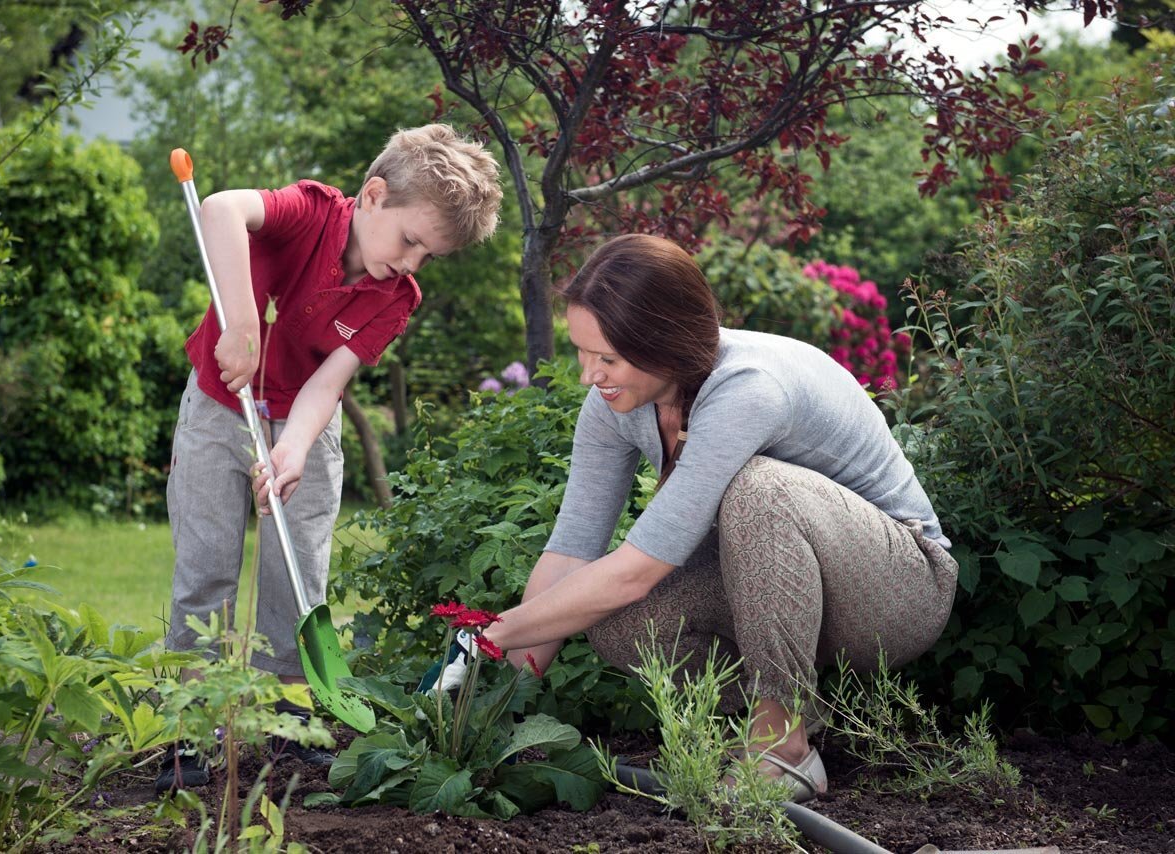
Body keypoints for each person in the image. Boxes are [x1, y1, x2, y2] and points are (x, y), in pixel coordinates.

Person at [440, 233, 957, 802]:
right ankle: (760, 727)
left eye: (607, 358)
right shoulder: (613, 407)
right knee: (616, 621)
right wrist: (489, 703)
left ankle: (782, 748)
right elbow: (571, 552)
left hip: (896, 587)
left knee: (759, 490)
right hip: (781, 594)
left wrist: (488, 633)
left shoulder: (747, 388)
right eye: (582, 352)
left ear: (664, 342)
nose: (590, 375)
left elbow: (636, 569)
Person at [159, 124, 503, 794]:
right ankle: (190, 726)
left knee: (297, 578)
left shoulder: (392, 298)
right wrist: (241, 322)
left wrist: (291, 449)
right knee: (205, 570)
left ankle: (294, 723)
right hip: (215, 408)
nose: (411, 264)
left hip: (305, 426)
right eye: (410, 240)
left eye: (429, 255)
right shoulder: (311, 213)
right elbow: (221, 209)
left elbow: (327, 383)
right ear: (372, 196)